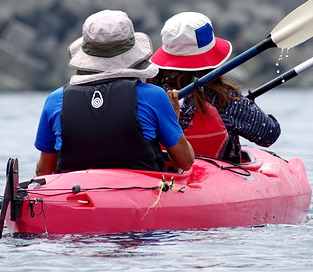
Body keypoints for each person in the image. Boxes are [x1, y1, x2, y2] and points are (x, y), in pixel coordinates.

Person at [34, 10, 194, 176]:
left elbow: (44, 170)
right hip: (141, 193)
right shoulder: (155, 97)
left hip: (74, 195)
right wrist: (174, 121)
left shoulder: (55, 100)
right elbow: (185, 161)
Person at [149, 12, 281, 163]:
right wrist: (248, 105)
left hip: (161, 177)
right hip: (215, 177)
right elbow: (269, 134)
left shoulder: (149, 94)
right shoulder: (226, 100)